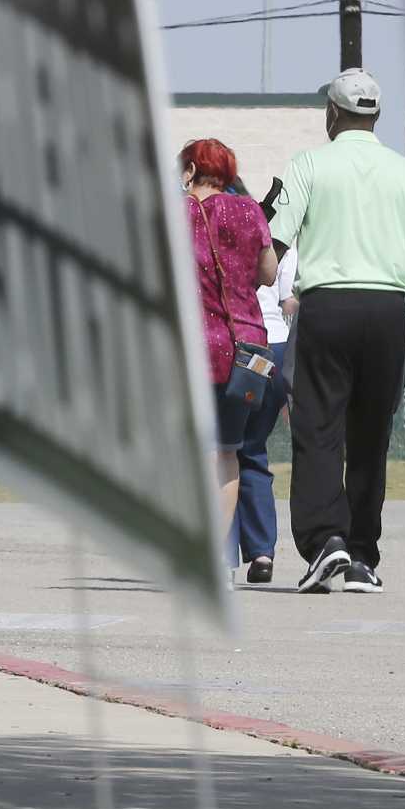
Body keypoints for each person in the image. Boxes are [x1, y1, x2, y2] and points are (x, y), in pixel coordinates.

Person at [269, 68, 405, 595]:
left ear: (332, 114)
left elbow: (270, 252)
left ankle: (326, 542)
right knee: (371, 436)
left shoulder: (309, 166)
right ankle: (363, 555)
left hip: (328, 308)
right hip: (388, 311)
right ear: (378, 116)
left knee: (319, 428)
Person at [182, 138, 277, 545]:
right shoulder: (250, 210)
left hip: (194, 348)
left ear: (189, 172)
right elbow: (269, 273)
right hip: (248, 351)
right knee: (227, 453)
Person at [230, 235, 298, 585]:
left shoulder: (217, 227)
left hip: (242, 347)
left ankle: (222, 552)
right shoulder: (278, 239)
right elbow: (285, 290)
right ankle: (262, 552)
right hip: (276, 348)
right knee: (253, 450)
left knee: (224, 451)